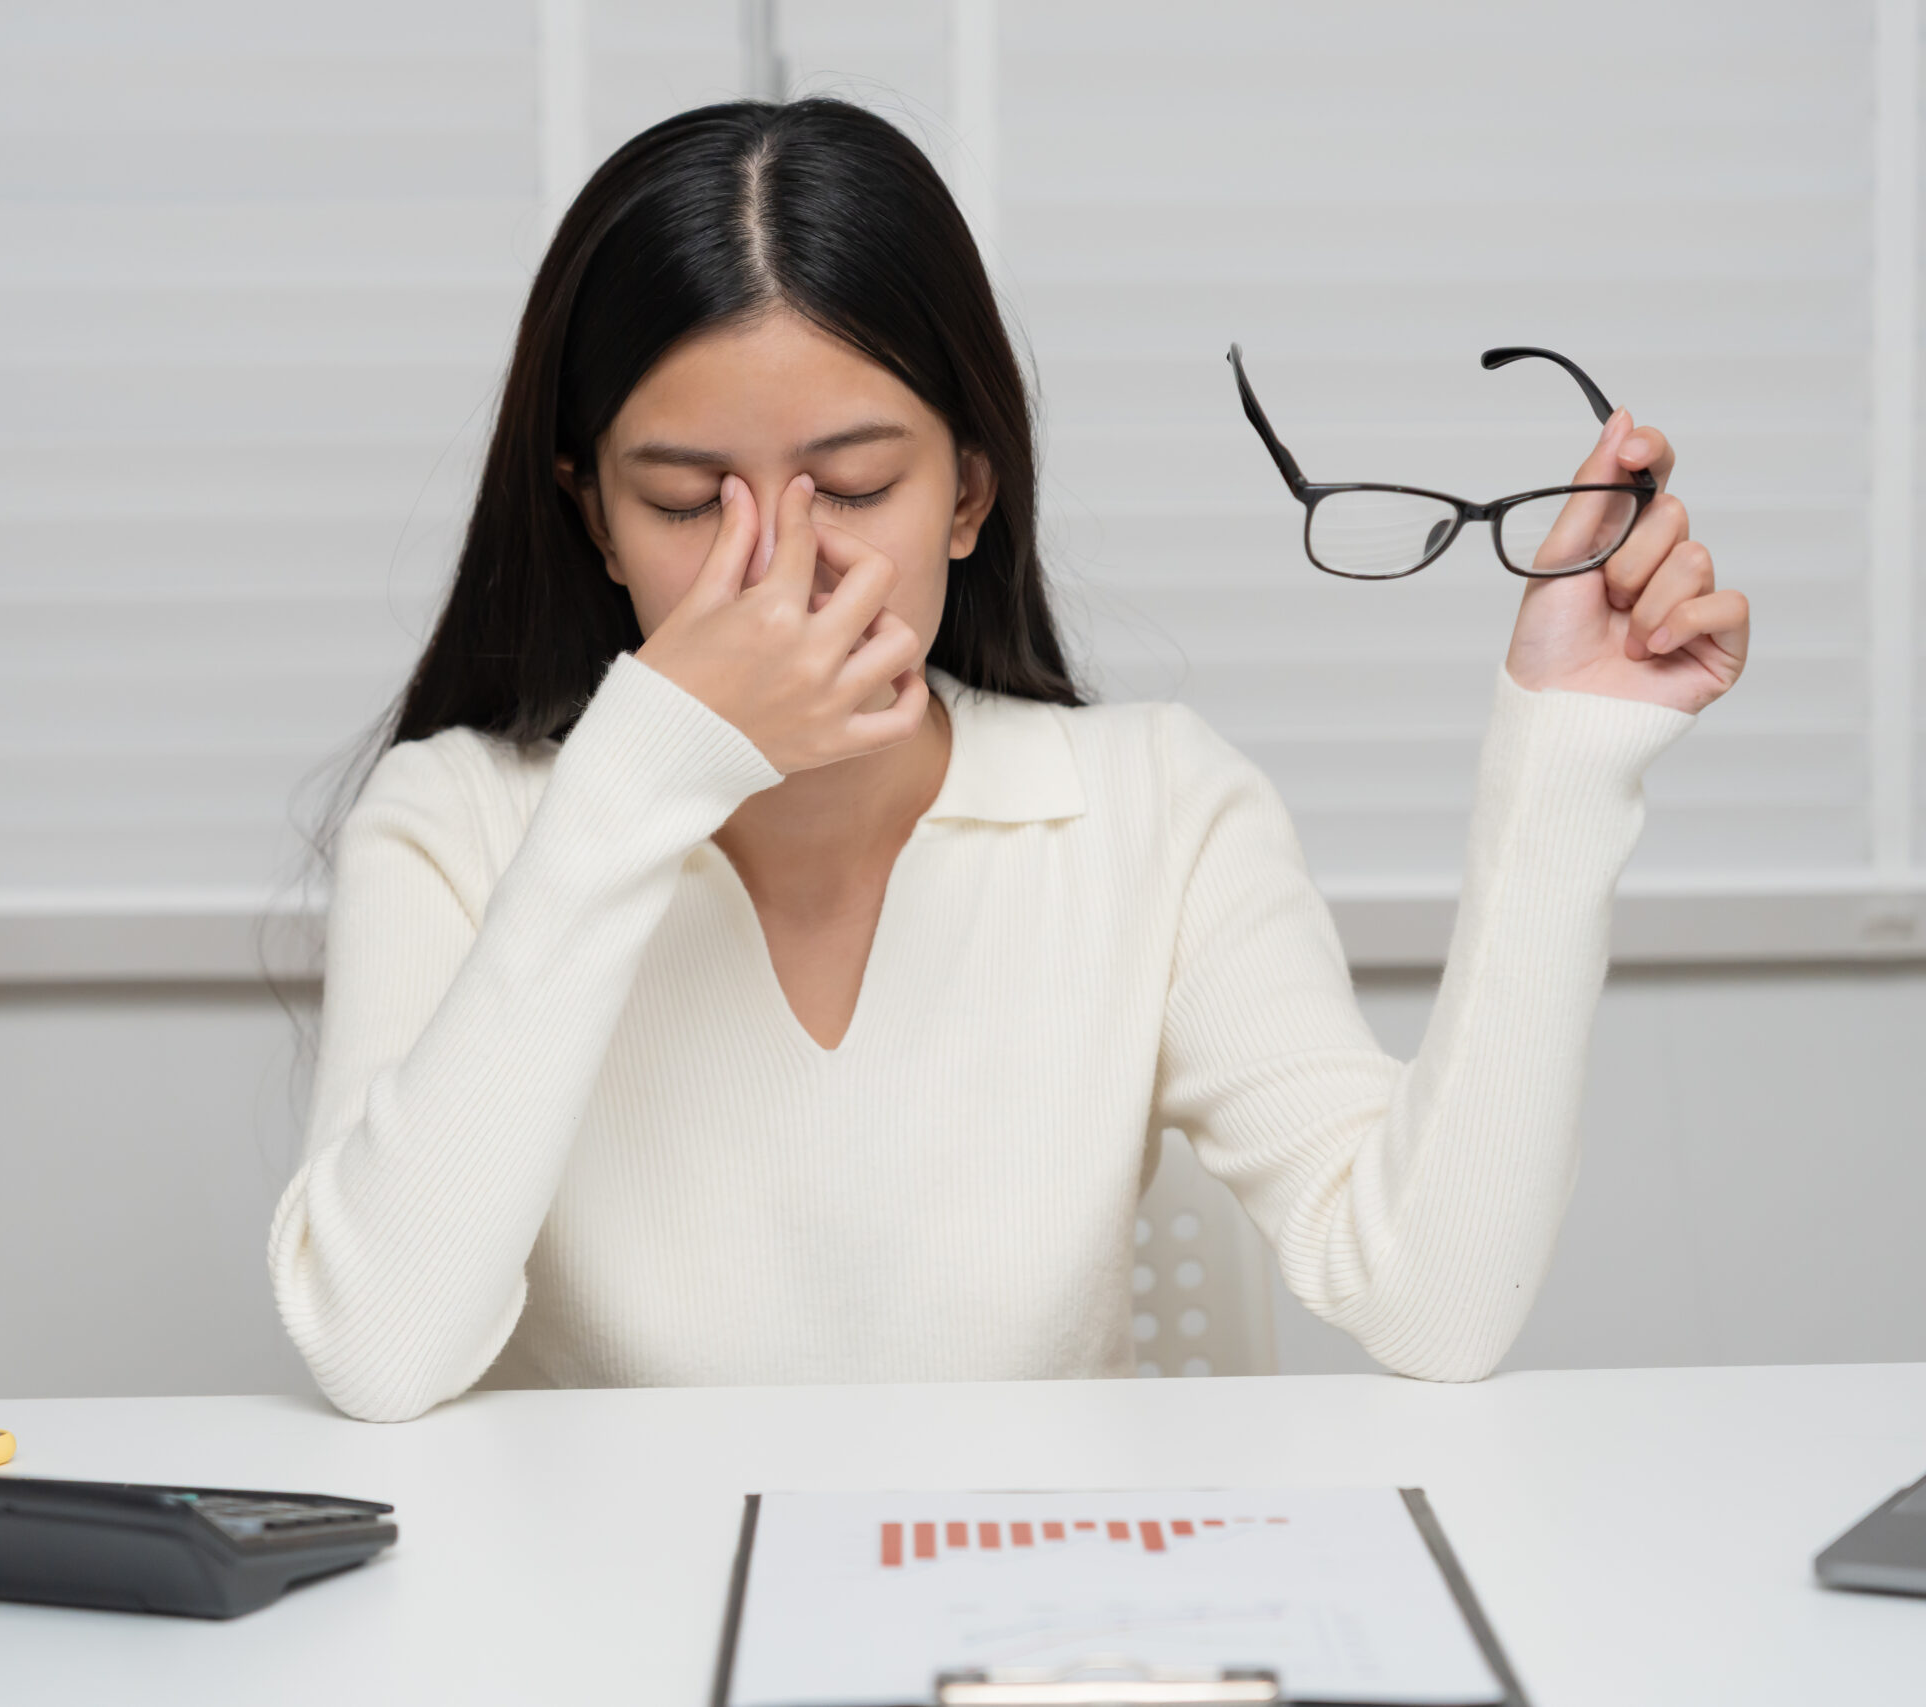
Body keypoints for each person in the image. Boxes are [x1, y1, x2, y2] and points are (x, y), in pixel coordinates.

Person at [268, 99, 1749, 1423]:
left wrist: (1570, 761)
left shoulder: (1155, 809)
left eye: (853, 486)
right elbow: (382, 1353)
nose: (776, 570)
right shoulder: (458, 824)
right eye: (681, 502)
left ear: (968, 493)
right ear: (593, 517)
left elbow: (1432, 1300)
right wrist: (644, 770)